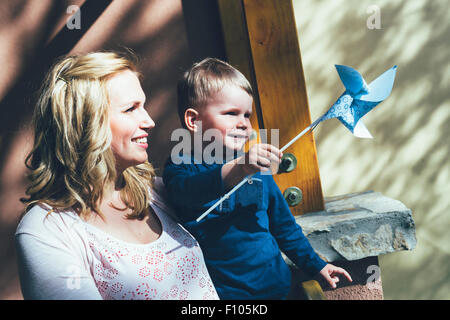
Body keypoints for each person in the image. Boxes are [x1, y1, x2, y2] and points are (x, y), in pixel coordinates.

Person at [15, 51, 219, 300]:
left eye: (143, 106)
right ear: (86, 123)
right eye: (130, 109)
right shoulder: (48, 230)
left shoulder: (156, 192)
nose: (149, 121)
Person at [163, 57, 352, 299]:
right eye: (231, 113)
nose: (244, 124)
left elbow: (284, 226)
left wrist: (316, 264)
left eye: (247, 115)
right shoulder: (183, 165)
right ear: (194, 120)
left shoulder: (257, 169)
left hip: (279, 288)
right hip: (225, 294)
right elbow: (188, 191)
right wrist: (239, 169)